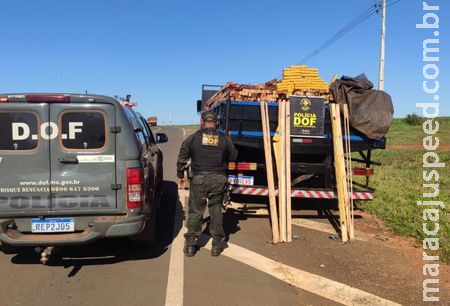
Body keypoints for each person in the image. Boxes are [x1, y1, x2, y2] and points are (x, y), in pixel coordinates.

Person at [176, 111, 238, 257]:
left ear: (202, 122)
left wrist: (180, 174)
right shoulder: (224, 139)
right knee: (216, 210)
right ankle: (217, 246)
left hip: (199, 179)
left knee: (196, 211)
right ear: (216, 123)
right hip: (218, 179)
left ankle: (191, 245)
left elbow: (182, 158)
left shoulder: (193, 138)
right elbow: (234, 156)